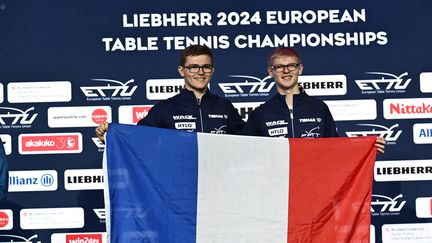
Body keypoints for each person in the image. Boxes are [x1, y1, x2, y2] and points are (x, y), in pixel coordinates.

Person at [241, 47, 385, 153]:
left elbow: (336, 148)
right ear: (270, 72)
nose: (286, 71)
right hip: (278, 187)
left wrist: (366, 148)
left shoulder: (319, 108)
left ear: (300, 69)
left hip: (313, 186)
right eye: (279, 67)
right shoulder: (261, 113)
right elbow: (244, 151)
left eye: (292, 65)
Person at [96, 44, 245, 142]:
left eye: (206, 67)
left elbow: (248, 141)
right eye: (193, 67)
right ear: (182, 71)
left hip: (216, 182)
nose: (200, 72)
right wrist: (111, 136)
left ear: (212, 70)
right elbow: (138, 138)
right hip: (180, 184)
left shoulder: (224, 107)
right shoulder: (166, 108)